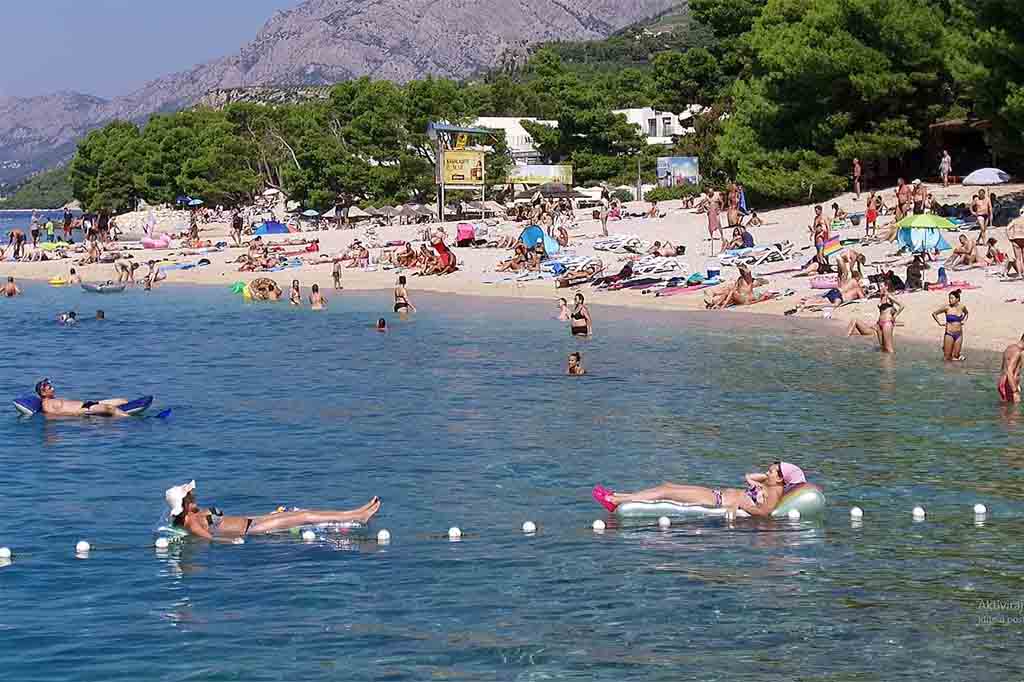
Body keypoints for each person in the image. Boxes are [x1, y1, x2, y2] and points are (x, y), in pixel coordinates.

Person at [164, 480, 381, 541]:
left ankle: (355, 512)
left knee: (304, 512)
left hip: (252, 520)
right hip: (250, 530)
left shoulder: (195, 514)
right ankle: (358, 516)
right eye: (191, 495)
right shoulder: (191, 522)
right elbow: (210, 539)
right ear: (185, 502)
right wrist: (231, 542)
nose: (195, 495)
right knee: (304, 517)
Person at [593, 461, 804, 518]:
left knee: (666, 492)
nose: (767, 472)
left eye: (772, 471)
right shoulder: (769, 485)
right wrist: (762, 479)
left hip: (716, 502)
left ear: (781, 478)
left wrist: (741, 503)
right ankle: (619, 496)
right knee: (668, 486)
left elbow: (764, 512)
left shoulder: (774, 492)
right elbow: (750, 476)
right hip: (716, 494)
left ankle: (615, 501)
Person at [33, 378, 132, 417]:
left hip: (88, 404)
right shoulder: (46, 405)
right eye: (50, 388)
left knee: (123, 400)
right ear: (43, 392)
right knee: (110, 408)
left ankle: (124, 413)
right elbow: (55, 415)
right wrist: (80, 412)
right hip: (84, 410)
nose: (53, 388)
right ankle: (131, 421)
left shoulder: (53, 399)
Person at [932, 289, 968, 361]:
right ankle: (946, 350)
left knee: (955, 356)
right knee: (947, 358)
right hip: (949, 334)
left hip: (959, 334)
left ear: (957, 299)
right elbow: (934, 313)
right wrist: (939, 323)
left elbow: (966, 313)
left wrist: (964, 320)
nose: (949, 300)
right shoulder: (947, 307)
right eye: (949, 298)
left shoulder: (962, 307)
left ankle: (957, 355)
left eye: (952, 298)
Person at [998, 335, 1024, 403]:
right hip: (1009, 384)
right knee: (1015, 408)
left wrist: (1016, 384)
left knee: (1006, 406)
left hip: (1003, 382)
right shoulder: (1018, 352)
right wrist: (1015, 391)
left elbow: (1003, 368)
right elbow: (1009, 371)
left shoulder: (1009, 348)